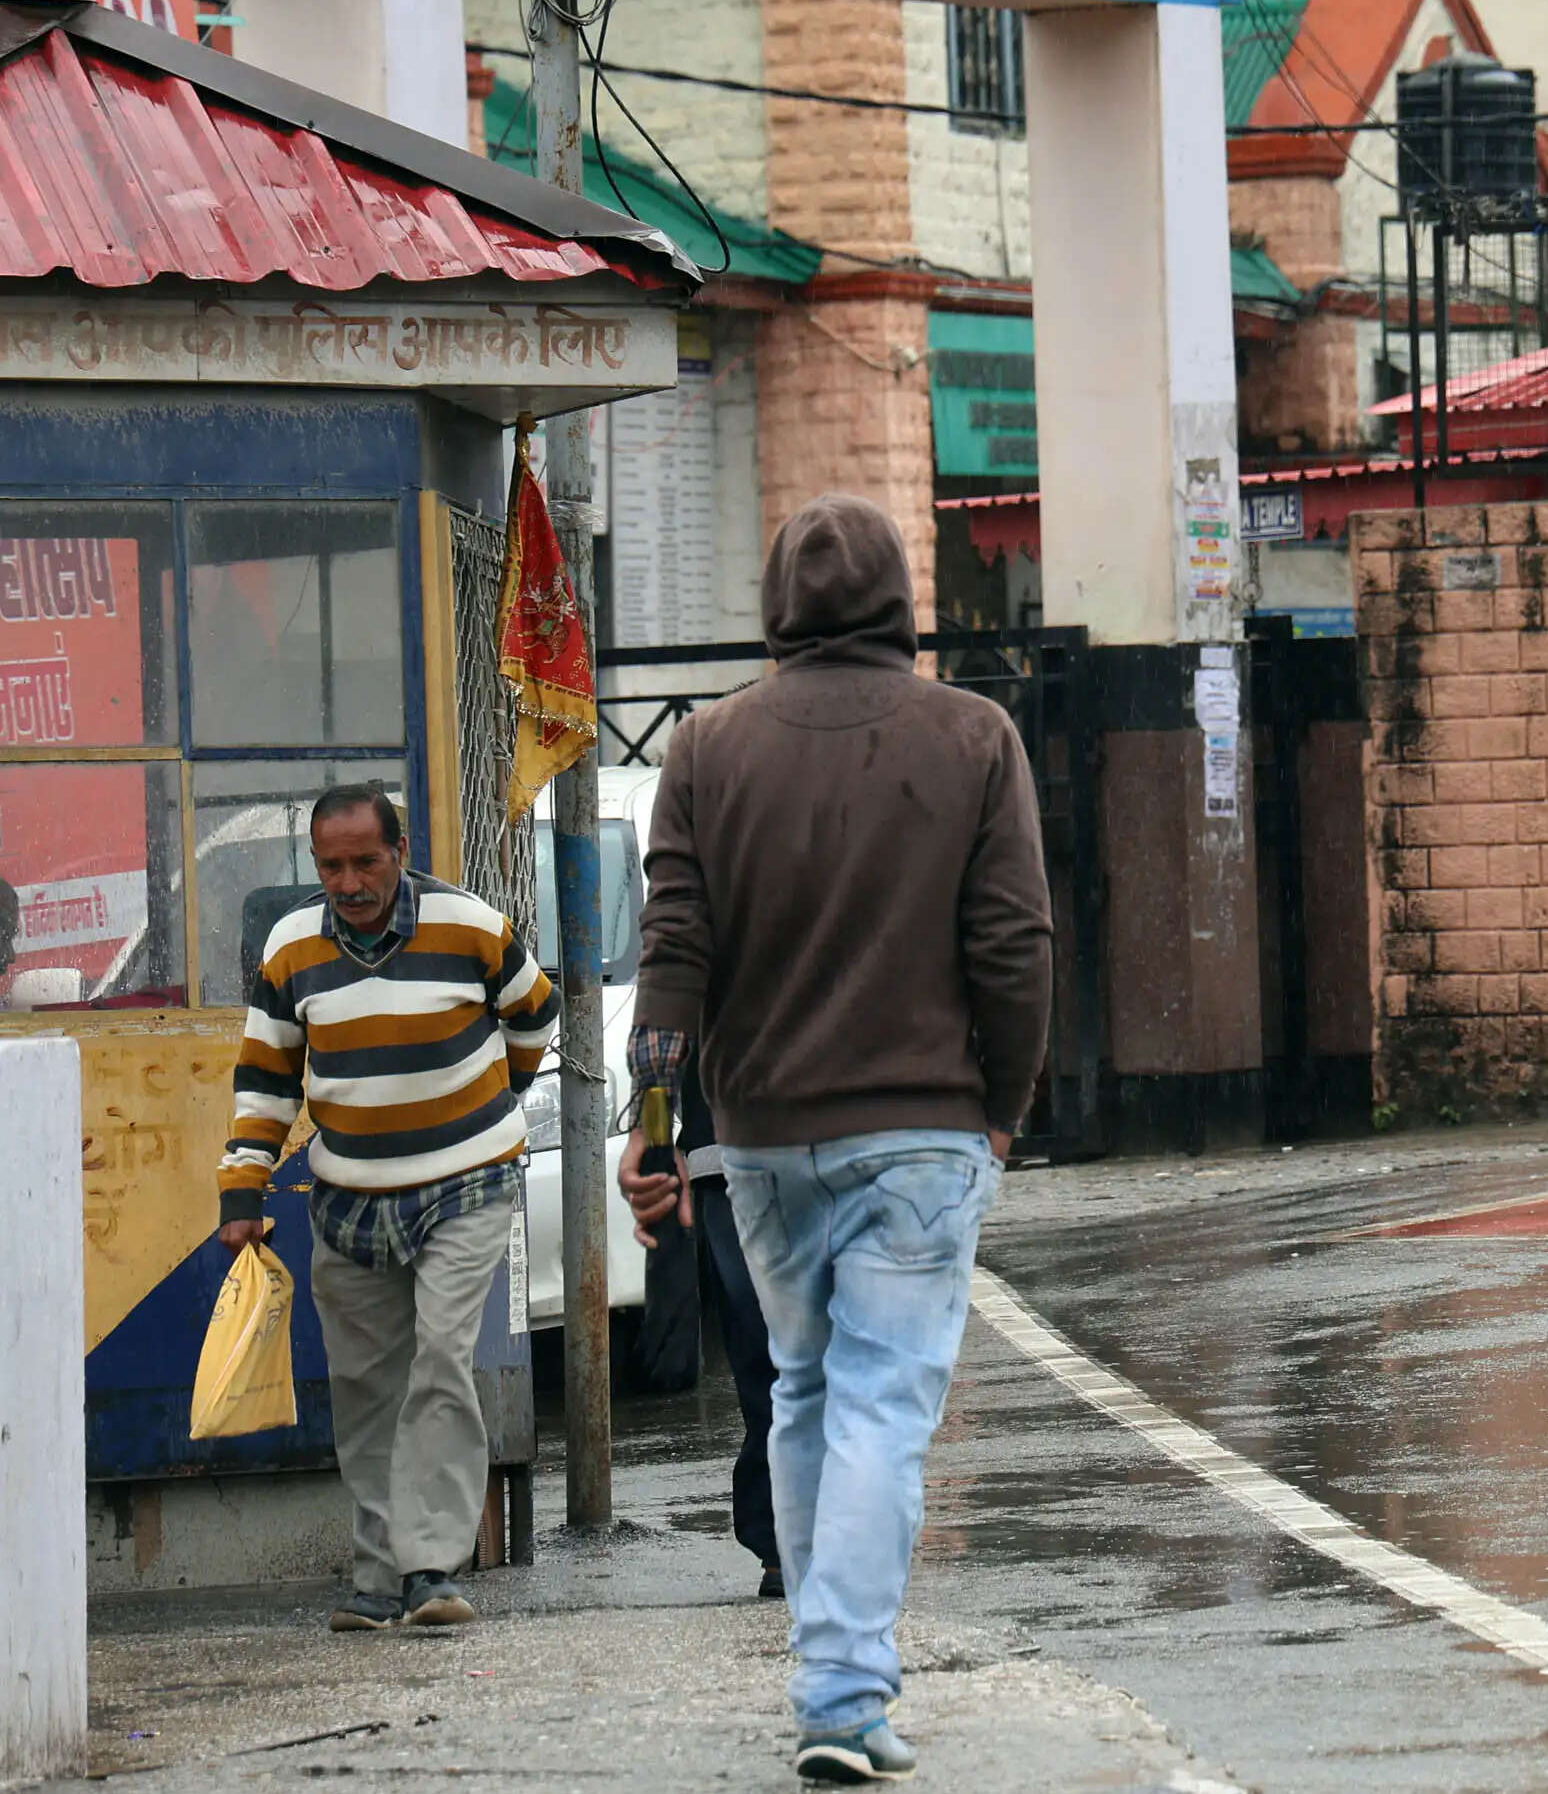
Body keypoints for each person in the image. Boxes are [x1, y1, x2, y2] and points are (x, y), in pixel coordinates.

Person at [621, 493, 1053, 1786]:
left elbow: (671, 956)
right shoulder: (973, 736)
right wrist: (1003, 1104)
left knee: (803, 1395)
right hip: (921, 1128)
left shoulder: (703, 751)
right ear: (901, 604)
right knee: (879, 1403)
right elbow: (1015, 945)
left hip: (758, 1141)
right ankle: (846, 1692)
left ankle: (826, 1668)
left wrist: (654, 1134)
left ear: (778, 608)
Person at [215, 782, 556, 1633]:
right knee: (366, 1387)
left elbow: (535, 1015)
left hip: (467, 1181)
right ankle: (377, 1578)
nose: (349, 880)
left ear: (400, 853)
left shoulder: (470, 924)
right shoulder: (291, 948)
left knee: (441, 1358)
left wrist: (496, 1104)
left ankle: (432, 1570)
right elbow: (265, 1079)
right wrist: (243, 1190)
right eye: (331, 865)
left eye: (366, 860)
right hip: (350, 1196)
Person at [622, 1060, 782, 1600]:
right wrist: (656, 1142)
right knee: (767, 1361)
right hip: (732, 1158)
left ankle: (830, 1535)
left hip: (848, 1136)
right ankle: (785, 1542)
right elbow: (668, 1019)